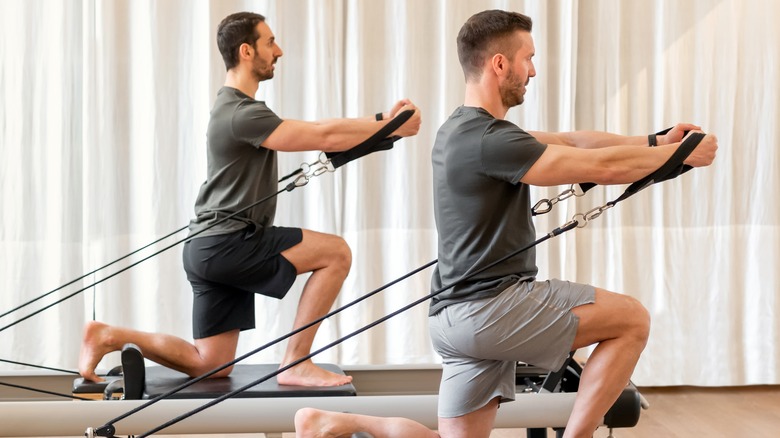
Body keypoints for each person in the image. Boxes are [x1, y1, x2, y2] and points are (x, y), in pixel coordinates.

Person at [294, 9, 716, 437]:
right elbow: (597, 164)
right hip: (491, 309)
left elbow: (574, 141)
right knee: (632, 319)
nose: (532, 70)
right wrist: (680, 157)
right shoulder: (490, 140)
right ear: (500, 64)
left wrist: (654, 142)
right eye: (527, 58)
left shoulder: (465, 130)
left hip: (453, 317)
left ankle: (332, 422)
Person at [78, 11, 421, 388]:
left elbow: (325, 132)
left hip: (207, 249)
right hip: (227, 244)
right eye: (270, 42)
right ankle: (296, 362)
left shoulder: (236, 109)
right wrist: (391, 126)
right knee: (336, 253)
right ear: (246, 51)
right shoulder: (241, 113)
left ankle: (107, 335)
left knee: (211, 364)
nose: (279, 51)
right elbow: (322, 135)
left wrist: (384, 121)